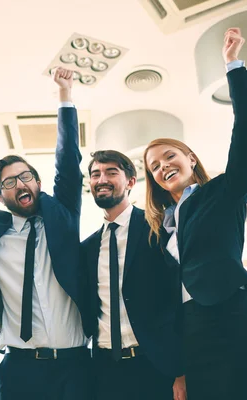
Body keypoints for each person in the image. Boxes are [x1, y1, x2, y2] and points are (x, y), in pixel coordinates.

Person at [143, 28, 247, 399]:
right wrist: (176, 368)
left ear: (189, 157)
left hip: (233, 321)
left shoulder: (223, 191)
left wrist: (233, 66)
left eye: (169, 155)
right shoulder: (158, 229)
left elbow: (246, 130)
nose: (163, 167)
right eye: (154, 166)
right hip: (191, 337)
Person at [0, 67, 88, 400]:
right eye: (9, 182)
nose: (19, 184)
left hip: (74, 366)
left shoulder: (61, 216)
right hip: (20, 369)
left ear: (37, 181)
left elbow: (67, 161)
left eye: (25, 176)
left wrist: (65, 95)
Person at [81, 150, 186, 400]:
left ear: (130, 181)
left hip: (157, 366)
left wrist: (181, 371)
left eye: (111, 172)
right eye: (95, 174)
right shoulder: (86, 248)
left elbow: (180, 300)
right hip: (106, 371)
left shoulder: (159, 229)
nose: (101, 179)